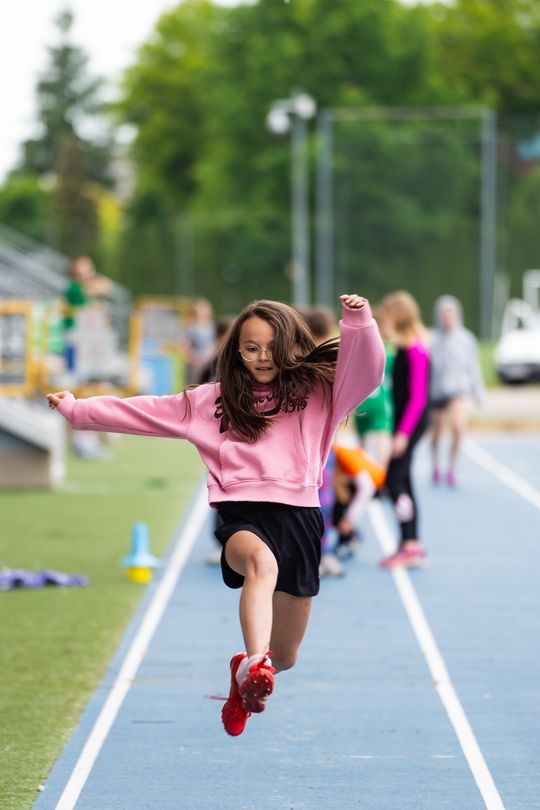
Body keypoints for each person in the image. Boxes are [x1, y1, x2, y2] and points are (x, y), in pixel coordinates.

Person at [47, 294, 385, 737]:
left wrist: (359, 321)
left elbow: (367, 371)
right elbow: (144, 411)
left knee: (286, 656)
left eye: (271, 347)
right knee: (260, 566)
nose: (262, 358)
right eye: (250, 348)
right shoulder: (211, 401)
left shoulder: (319, 393)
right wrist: (76, 409)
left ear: (289, 346)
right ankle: (254, 660)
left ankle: (249, 672)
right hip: (241, 516)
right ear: (236, 350)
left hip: (300, 521)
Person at [378, 291, 430, 569]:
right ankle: (408, 541)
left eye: (386, 318)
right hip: (402, 422)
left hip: (411, 423)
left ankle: (411, 543)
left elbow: (418, 397)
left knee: (397, 480)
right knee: (399, 479)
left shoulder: (416, 349)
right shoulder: (400, 348)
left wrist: (403, 433)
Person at [429, 295, 484, 487]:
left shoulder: (466, 339)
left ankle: (451, 467)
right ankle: (435, 464)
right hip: (436, 392)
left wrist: (478, 393)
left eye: (451, 314)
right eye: (444, 314)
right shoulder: (432, 339)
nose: (447, 318)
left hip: (458, 390)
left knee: (459, 426)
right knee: (436, 432)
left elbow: (473, 368)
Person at [183, 297, 216, 385]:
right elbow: (184, 346)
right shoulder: (191, 328)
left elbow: (214, 345)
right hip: (194, 367)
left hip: (208, 366)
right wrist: (195, 359)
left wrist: (208, 359)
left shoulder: (211, 327)